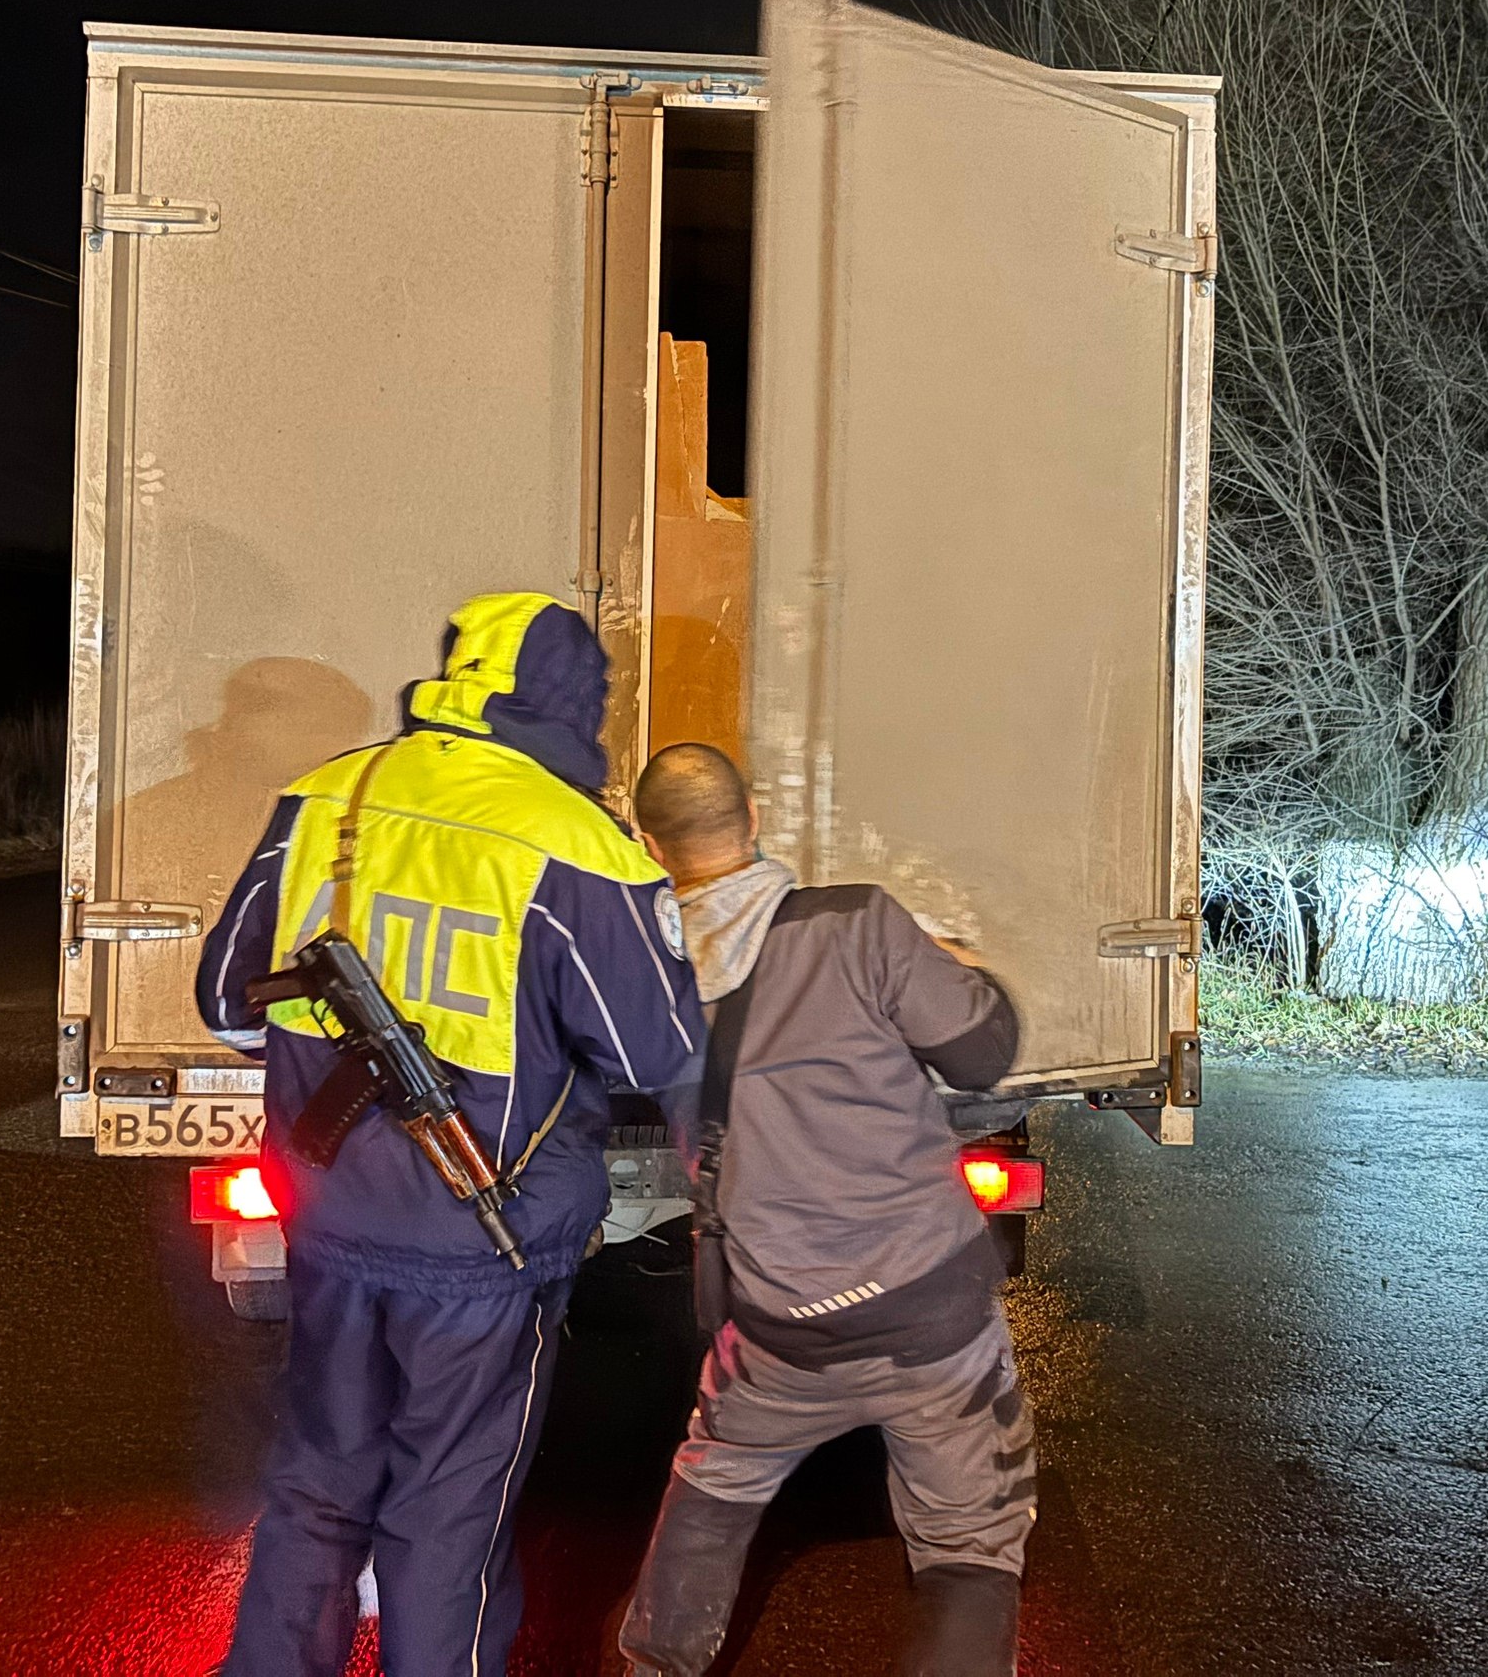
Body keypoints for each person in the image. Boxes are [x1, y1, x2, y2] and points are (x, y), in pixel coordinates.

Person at [197, 592, 703, 1677]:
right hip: (483, 1246)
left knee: (319, 1489)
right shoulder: (576, 841)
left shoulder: (331, 793)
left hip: (331, 1221)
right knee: (445, 1520)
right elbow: (653, 1054)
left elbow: (228, 1007)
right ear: (567, 701)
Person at [617, 743, 1035, 1677]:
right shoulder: (858, 926)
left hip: (777, 1327)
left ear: (648, 844)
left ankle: (656, 1663)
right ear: (755, 815)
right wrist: (957, 966)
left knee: (714, 1476)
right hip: (931, 1312)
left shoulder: (640, 976)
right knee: (969, 1541)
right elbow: (981, 1055)